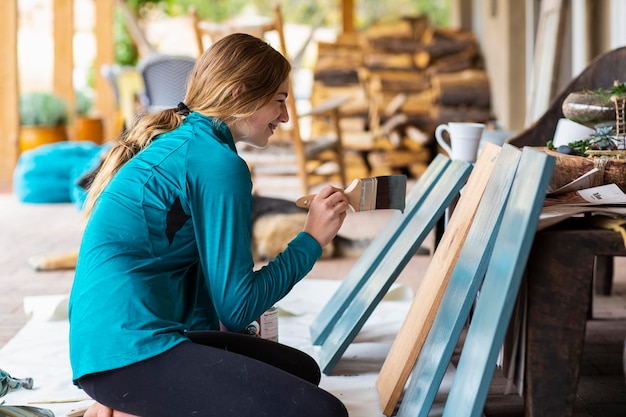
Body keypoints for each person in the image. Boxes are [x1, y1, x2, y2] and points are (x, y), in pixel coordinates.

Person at [68, 33, 350, 417]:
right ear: (238, 93)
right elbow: (238, 307)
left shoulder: (187, 141)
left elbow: (202, 282)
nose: (285, 117)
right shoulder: (217, 163)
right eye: (280, 101)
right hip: (126, 352)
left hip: (113, 343)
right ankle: (123, 404)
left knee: (302, 371)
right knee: (323, 413)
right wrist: (311, 239)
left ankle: (126, 405)